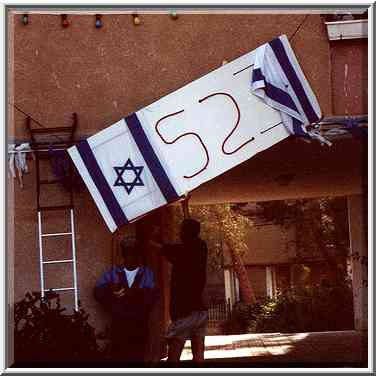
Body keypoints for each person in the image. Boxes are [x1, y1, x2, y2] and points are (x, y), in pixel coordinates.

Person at [150, 218, 208, 364]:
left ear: (186, 233)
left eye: (181, 230)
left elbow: (156, 246)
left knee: (173, 358)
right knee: (199, 357)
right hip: (200, 310)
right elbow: (171, 249)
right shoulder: (201, 247)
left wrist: (154, 234)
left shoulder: (181, 250)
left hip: (184, 312)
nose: (179, 232)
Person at [94, 235, 158, 363]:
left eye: (133, 252)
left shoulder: (147, 273)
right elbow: (97, 292)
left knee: (138, 358)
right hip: (119, 324)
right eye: (127, 252)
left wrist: (133, 294)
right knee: (119, 358)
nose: (130, 255)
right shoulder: (113, 273)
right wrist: (111, 293)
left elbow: (151, 297)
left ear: (138, 254)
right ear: (123, 253)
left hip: (139, 324)